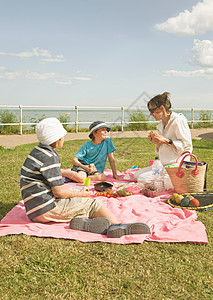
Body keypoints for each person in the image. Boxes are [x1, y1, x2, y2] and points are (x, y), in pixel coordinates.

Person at [20, 117, 150, 238]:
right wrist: (80, 193)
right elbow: (59, 192)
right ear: (57, 138)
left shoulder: (36, 152)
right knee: (93, 204)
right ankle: (117, 226)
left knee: (80, 206)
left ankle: (83, 223)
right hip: (46, 209)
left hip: (33, 210)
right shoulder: (51, 157)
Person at [147, 92, 193, 166]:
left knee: (142, 177)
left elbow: (186, 146)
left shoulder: (178, 120)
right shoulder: (160, 125)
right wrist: (157, 141)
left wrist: (167, 141)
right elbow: (160, 151)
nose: (150, 113)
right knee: (137, 175)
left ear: (162, 108)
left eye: (152, 110)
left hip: (178, 165)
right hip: (164, 164)